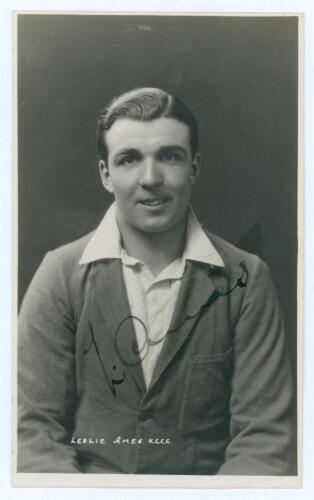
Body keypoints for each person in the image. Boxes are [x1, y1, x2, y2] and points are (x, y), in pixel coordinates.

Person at [18, 87, 293, 475]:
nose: (151, 178)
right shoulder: (60, 275)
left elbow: (263, 441)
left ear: (194, 166)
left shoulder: (247, 279)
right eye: (129, 159)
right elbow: (32, 434)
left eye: (169, 156)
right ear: (105, 174)